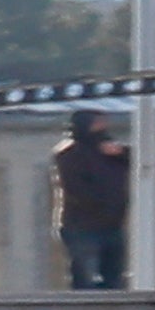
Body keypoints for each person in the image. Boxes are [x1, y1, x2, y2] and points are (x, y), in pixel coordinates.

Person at [52, 109, 132, 290]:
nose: (103, 128)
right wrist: (103, 204)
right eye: (98, 123)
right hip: (82, 225)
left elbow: (138, 161)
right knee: (84, 277)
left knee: (114, 276)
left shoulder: (111, 151)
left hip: (113, 223)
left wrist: (121, 153)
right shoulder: (70, 154)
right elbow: (76, 189)